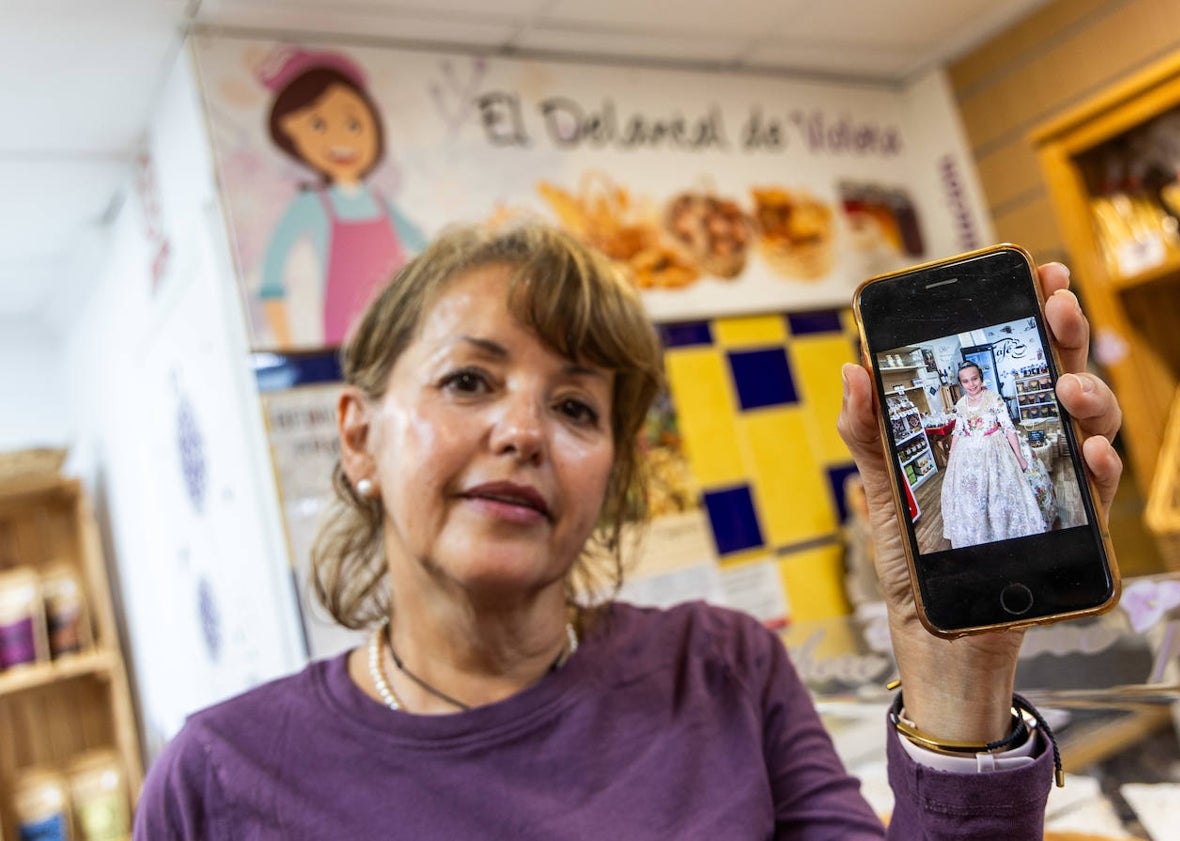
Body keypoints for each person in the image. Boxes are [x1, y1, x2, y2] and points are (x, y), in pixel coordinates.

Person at [134, 224, 1123, 839]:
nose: (523, 429)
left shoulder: (723, 667)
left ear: (609, 475)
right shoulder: (218, 779)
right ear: (359, 437)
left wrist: (961, 671)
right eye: (469, 379)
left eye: (574, 407)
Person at [257, 46, 426, 348]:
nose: (340, 139)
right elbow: (273, 270)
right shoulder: (309, 205)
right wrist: (287, 346)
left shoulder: (379, 201)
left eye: (353, 124)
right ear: (292, 136)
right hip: (348, 337)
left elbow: (427, 251)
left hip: (407, 325)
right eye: (318, 126)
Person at [940, 361, 1050, 548]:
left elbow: (1008, 427)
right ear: (961, 384)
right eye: (965, 381)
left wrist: (1020, 457)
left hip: (994, 450)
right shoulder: (960, 404)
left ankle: (1003, 532)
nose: (971, 384)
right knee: (973, 496)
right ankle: (980, 535)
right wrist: (951, 459)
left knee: (999, 493)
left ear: (980, 377)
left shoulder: (994, 398)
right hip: (968, 455)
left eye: (974, 379)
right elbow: (958, 432)